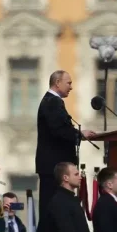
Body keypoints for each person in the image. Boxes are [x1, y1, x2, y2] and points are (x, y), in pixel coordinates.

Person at [35, 70, 96, 218]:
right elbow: (59, 130)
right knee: (52, 214)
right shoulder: (52, 101)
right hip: (54, 167)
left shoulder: (53, 101)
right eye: (68, 83)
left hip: (53, 166)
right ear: (57, 83)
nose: (71, 87)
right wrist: (79, 135)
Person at [30, 162, 90, 232]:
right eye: (76, 174)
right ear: (66, 178)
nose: (80, 177)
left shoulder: (71, 199)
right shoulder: (59, 202)